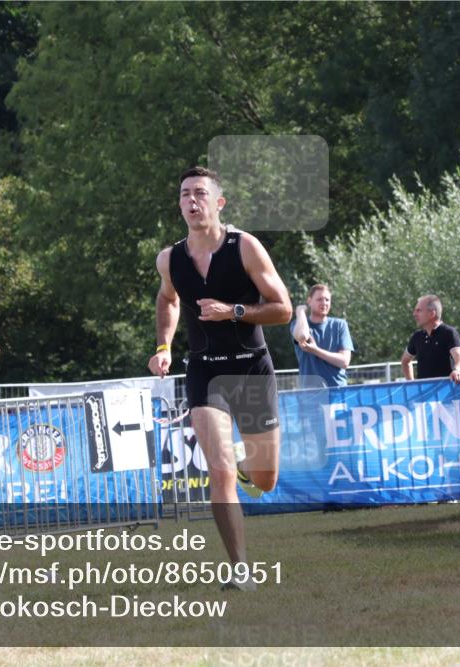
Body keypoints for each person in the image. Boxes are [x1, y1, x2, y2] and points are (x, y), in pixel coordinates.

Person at [148, 166, 291, 590]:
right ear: (179, 204)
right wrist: (163, 347)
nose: (192, 201)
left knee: (265, 480)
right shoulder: (169, 258)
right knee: (219, 470)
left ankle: (251, 468)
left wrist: (235, 311)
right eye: (185, 195)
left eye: (200, 194)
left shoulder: (245, 247)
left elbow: (282, 308)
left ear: (218, 203)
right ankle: (240, 569)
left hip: (250, 368)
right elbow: (167, 300)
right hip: (205, 371)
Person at [289, 284, 354, 388]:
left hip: (337, 393)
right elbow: (302, 336)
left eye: (327, 300)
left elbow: (344, 362)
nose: (324, 303)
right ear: (309, 301)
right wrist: (300, 311)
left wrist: (315, 350)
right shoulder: (298, 324)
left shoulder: (340, 325)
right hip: (310, 394)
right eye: (319, 299)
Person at [400, 295, 460, 382]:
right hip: (424, 394)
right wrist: (411, 384)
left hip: (446, 392)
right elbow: (405, 361)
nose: (414, 314)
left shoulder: (449, 333)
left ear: (432, 314)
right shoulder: (416, 337)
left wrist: (457, 370)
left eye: (419, 310)